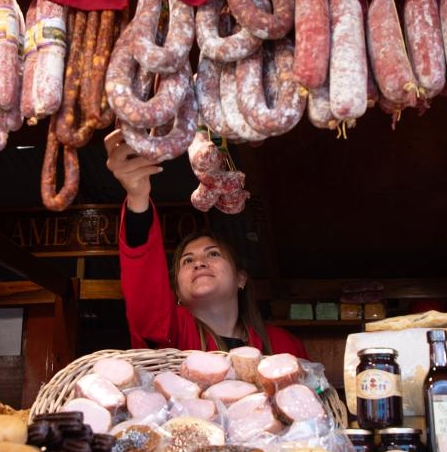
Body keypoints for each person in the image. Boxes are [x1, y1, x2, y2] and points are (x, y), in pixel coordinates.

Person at [104, 129, 306, 358]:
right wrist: (137, 197)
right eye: (187, 260)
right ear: (176, 289)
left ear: (241, 278)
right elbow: (146, 293)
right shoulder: (172, 334)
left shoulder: (284, 346)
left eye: (213, 254)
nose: (199, 263)